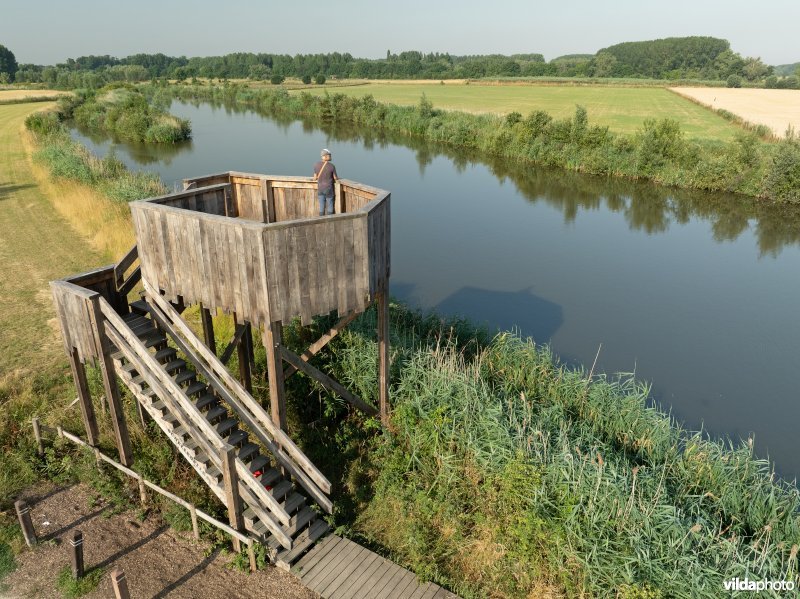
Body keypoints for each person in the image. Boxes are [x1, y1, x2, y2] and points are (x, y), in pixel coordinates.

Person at [312, 148, 339, 216]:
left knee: (321, 205)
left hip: (320, 188)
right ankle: (329, 220)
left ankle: (321, 219)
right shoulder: (331, 166)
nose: (330, 157)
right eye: (329, 155)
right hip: (328, 188)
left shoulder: (316, 165)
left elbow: (315, 178)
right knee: (330, 204)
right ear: (325, 156)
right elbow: (335, 178)